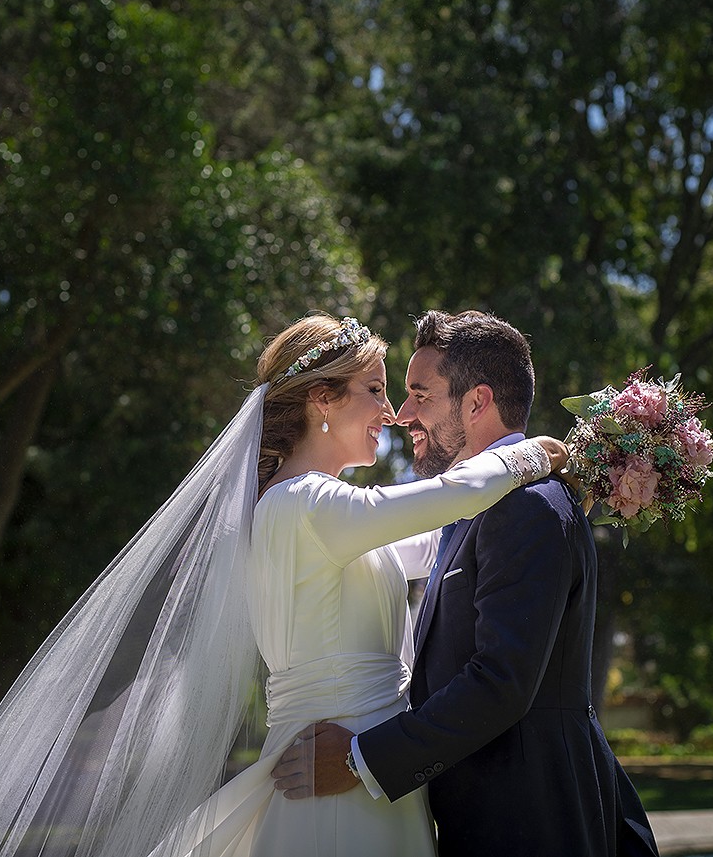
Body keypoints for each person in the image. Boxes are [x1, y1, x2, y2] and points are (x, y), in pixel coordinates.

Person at [0, 312, 564, 857]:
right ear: (322, 398)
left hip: (359, 770)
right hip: (336, 779)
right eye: (373, 388)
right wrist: (537, 453)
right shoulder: (302, 505)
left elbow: (439, 536)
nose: (390, 412)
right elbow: (450, 498)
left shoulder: (319, 509)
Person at [271, 309, 661, 857]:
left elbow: (500, 680)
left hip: (530, 818)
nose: (402, 414)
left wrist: (363, 758)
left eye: (419, 395)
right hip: (474, 812)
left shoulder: (525, 506)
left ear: (476, 402)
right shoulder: (464, 515)